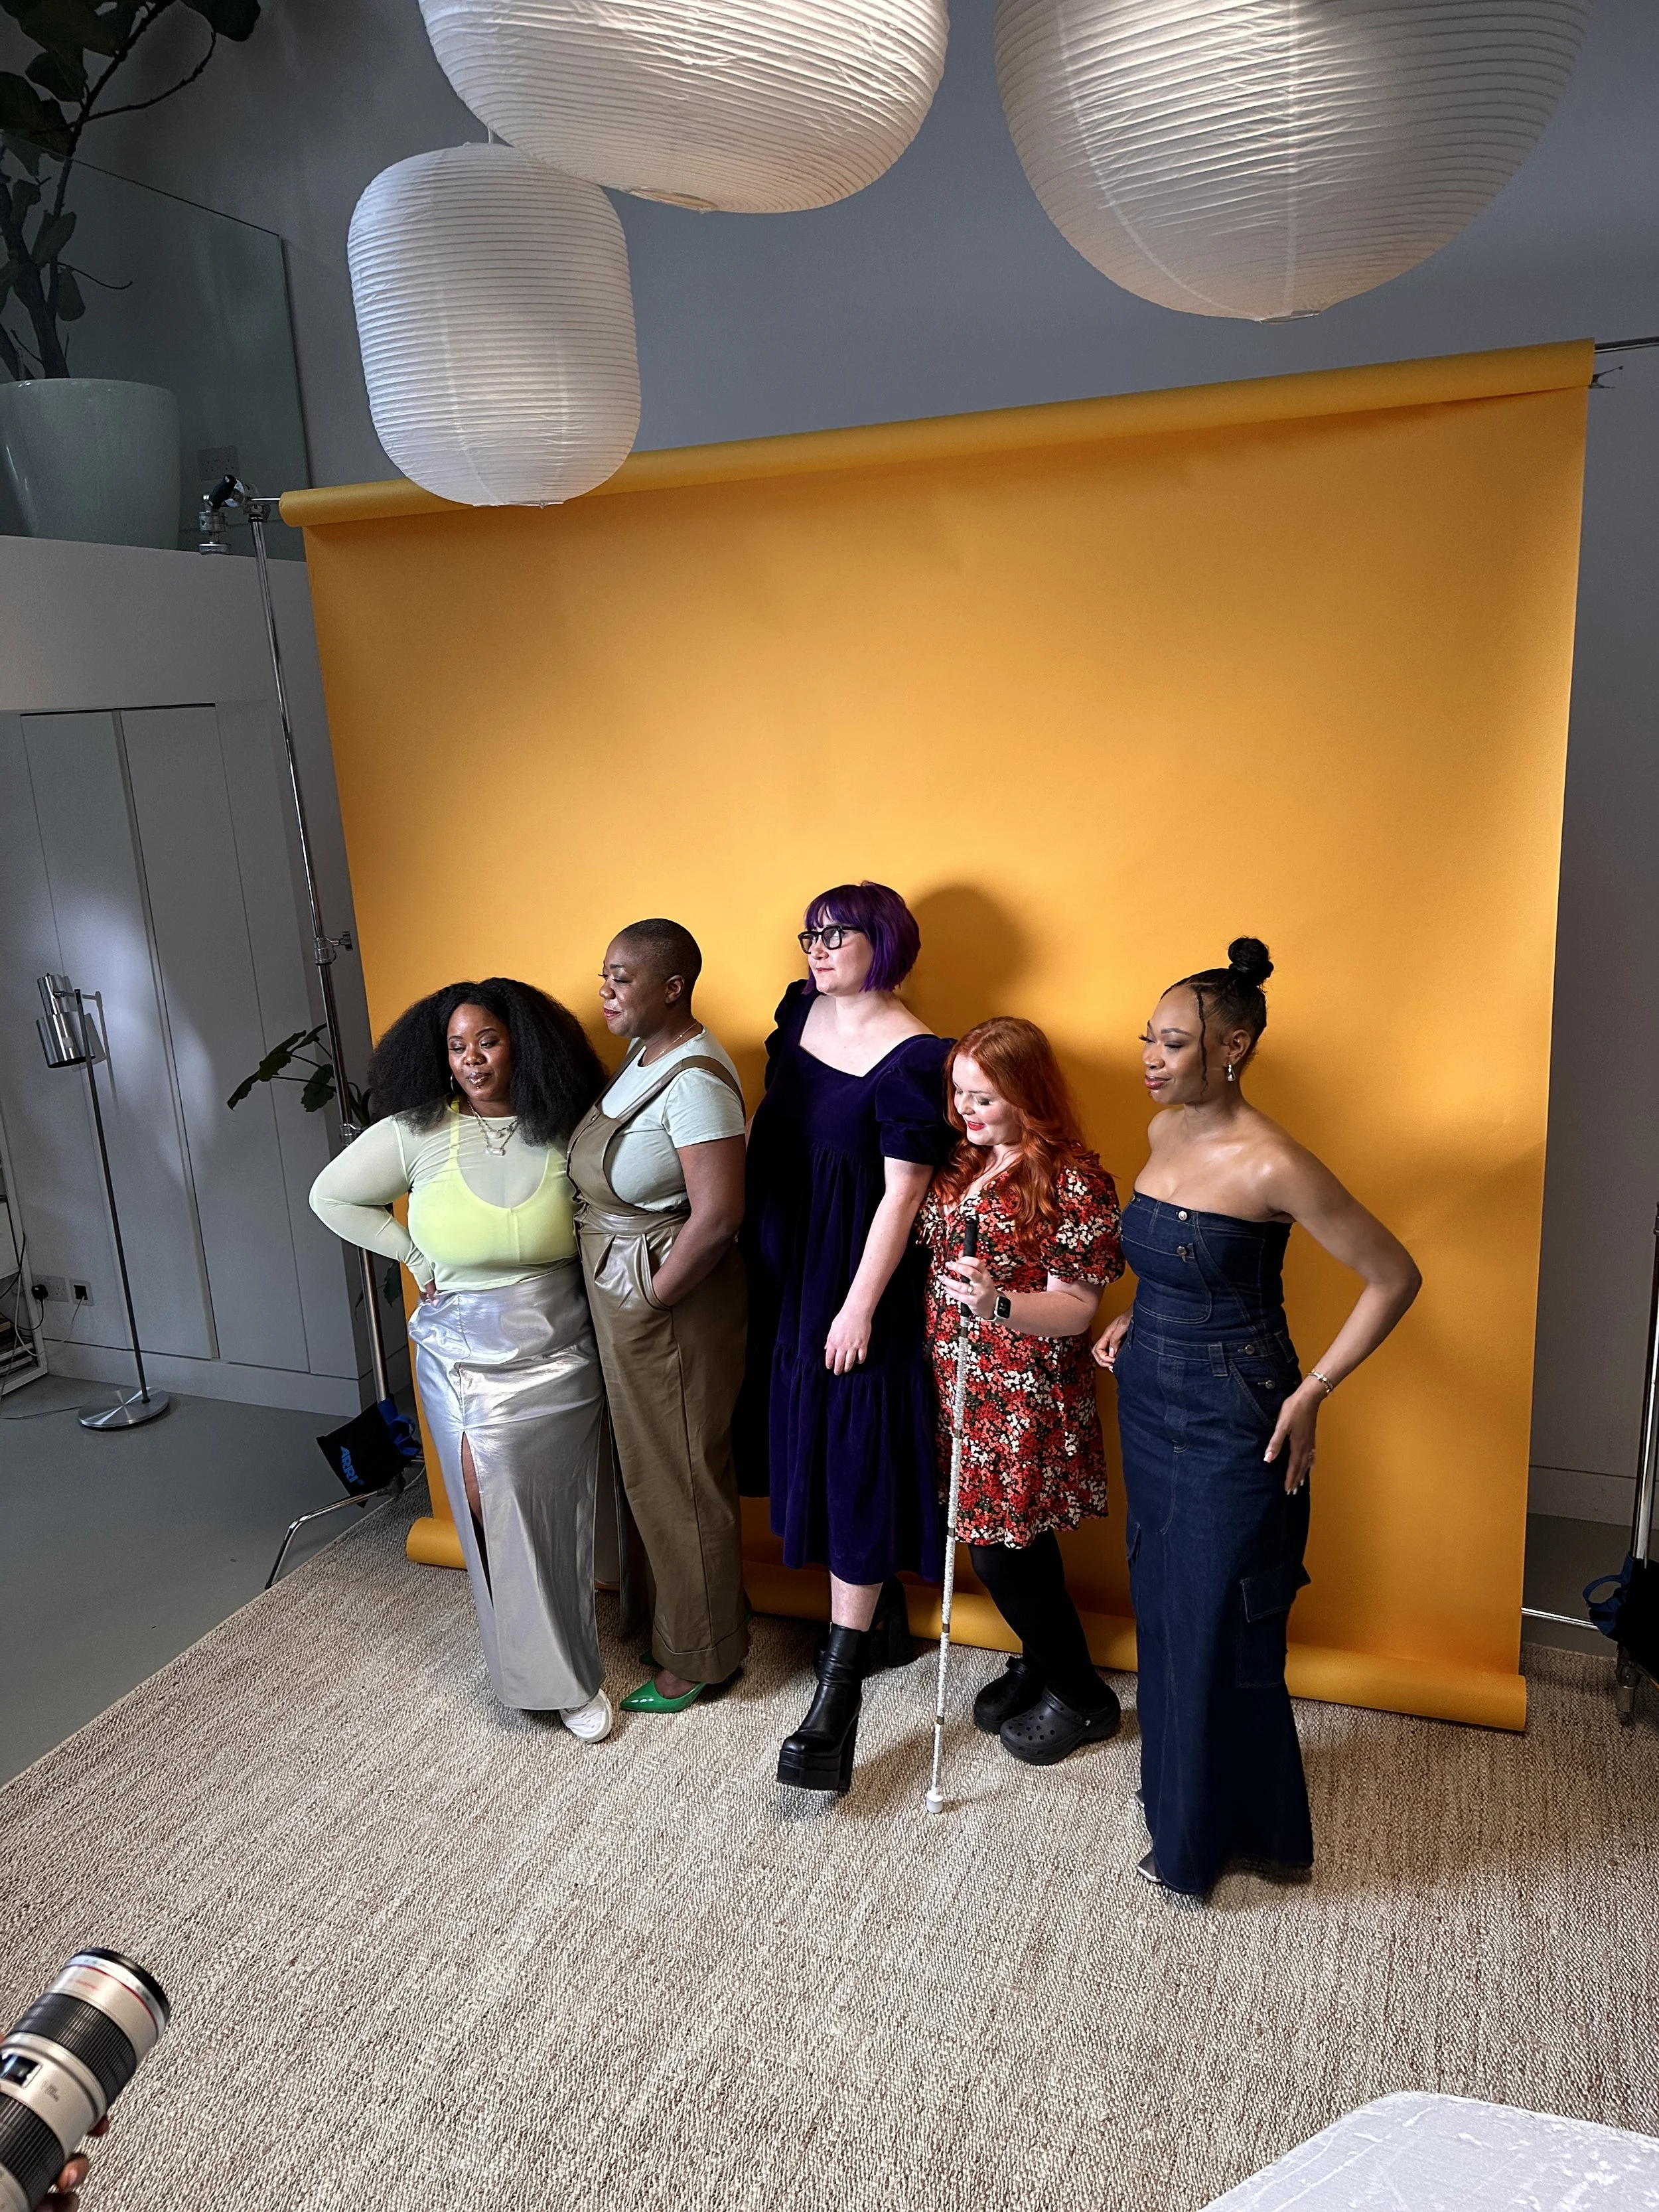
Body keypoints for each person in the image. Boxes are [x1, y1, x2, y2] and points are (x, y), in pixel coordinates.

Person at [1094, 938, 1421, 1899]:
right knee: (1162, 1603)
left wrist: (1314, 1387)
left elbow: (1394, 1276)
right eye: (1148, 1039)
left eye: (1174, 1043)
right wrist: (1134, 1312)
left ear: (1231, 1047)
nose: (1151, 1058)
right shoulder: (1163, 1134)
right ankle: (1182, 1797)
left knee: (1218, 1617)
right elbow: (1175, 1260)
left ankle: (1223, 1834)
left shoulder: (1274, 1160)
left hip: (1240, 1411)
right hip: (1151, 1391)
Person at [309, 978, 616, 1741]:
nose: (473, 1059)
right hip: (460, 1346)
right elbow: (332, 1197)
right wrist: (411, 1252)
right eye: (457, 1046)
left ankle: (571, 1666)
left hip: (560, 1339)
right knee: (486, 1501)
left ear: (523, 1047)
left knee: (554, 1507)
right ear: (439, 1058)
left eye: (488, 1041)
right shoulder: (417, 1132)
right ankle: (538, 1669)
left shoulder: (564, 1125)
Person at [734, 881, 954, 1794]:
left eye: (838, 934)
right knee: (801, 1445)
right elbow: (768, 1121)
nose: (817, 949)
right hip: (783, 1270)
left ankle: (837, 1697)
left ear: (885, 941)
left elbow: (904, 1195)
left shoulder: (915, 1058)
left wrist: (859, 1306)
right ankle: (884, 1623)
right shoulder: (800, 1010)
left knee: (856, 1457)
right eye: (811, 933)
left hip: (852, 1280)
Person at [920, 1018, 1125, 1765]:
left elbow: (1077, 1309)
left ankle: (1083, 1695)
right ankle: (1041, 1657)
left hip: (1021, 1392)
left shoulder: (1072, 1179)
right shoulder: (961, 1160)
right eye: (958, 1093)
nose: (965, 1110)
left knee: (1002, 1549)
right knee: (1014, 1544)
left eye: (984, 1097)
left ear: (1027, 1094)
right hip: (959, 1380)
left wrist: (994, 1303)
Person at [567, 919, 750, 1713]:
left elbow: (717, 1217)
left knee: (680, 1475)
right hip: (626, 1289)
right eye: (605, 974)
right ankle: (679, 1622)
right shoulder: (644, 1056)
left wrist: (653, 1295)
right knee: (652, 1470)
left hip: (662, 1300)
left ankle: (703, 1660)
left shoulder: (697, 1078)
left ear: (673, 987)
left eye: (622, 977)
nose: (605, 989)